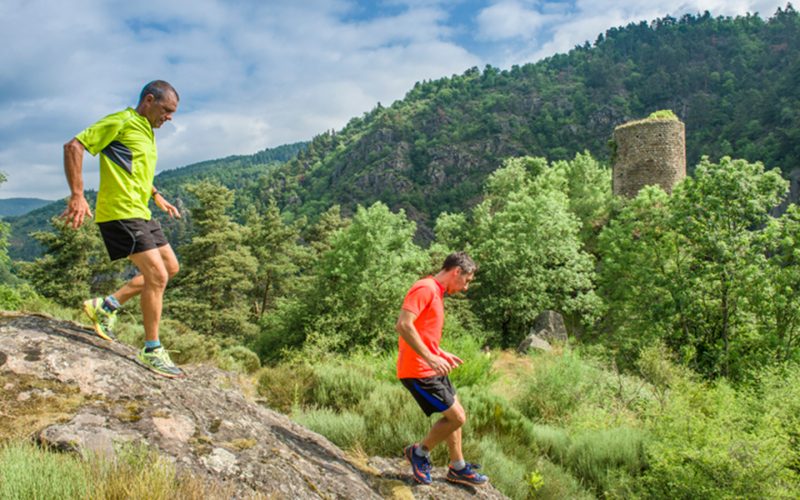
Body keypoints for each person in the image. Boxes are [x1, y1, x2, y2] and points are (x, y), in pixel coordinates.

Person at [61, 80, 183, 378]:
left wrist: (156, 195)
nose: (169, 117)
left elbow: (134, 168)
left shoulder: (145, 132)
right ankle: (152, 349)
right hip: (120, 213)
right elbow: (74, 146)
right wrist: (77, 194)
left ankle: (107, 306)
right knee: (156, 276)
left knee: (171, 268)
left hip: (140, 211)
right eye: (166, 110)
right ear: (149, 100)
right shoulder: (122, 121)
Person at [396, 252, 488, 486]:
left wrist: (439, 352)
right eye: (466, 281)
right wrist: (429, 357)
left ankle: (457, 467)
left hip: (431, 365)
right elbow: (404, 325)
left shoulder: (436, 291)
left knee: (454, 414)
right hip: (418, 371)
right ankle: (419, 452)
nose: (466, 288)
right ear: (457, 271)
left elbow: (421, 331)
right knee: (457, 417)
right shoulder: (425, 288)